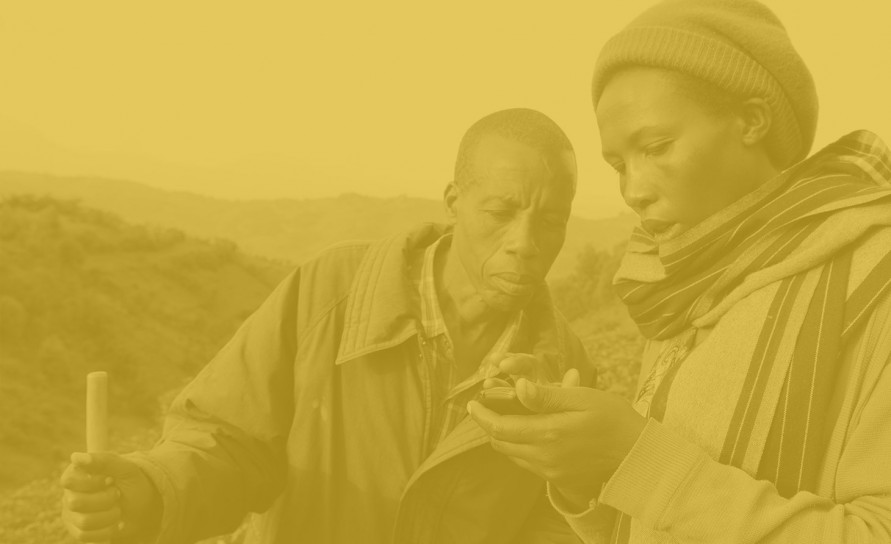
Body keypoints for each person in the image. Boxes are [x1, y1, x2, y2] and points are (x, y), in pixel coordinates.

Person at [59, 108, 596, 543]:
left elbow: (550, 524)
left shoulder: (566, 373)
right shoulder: (329, 295)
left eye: (551, 221)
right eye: (501, 212)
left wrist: (577, 495)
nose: (525, 243)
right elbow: (230, 443)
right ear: (454, 202)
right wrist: (150, 489)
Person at [469, 1, 891, 542]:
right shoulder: (682, 294)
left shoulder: (875, 280)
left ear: (752, 121)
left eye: (656, 147)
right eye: (618, 165)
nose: (633, 191)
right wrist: (586, 472)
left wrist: (636, 458)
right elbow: (655, 520)